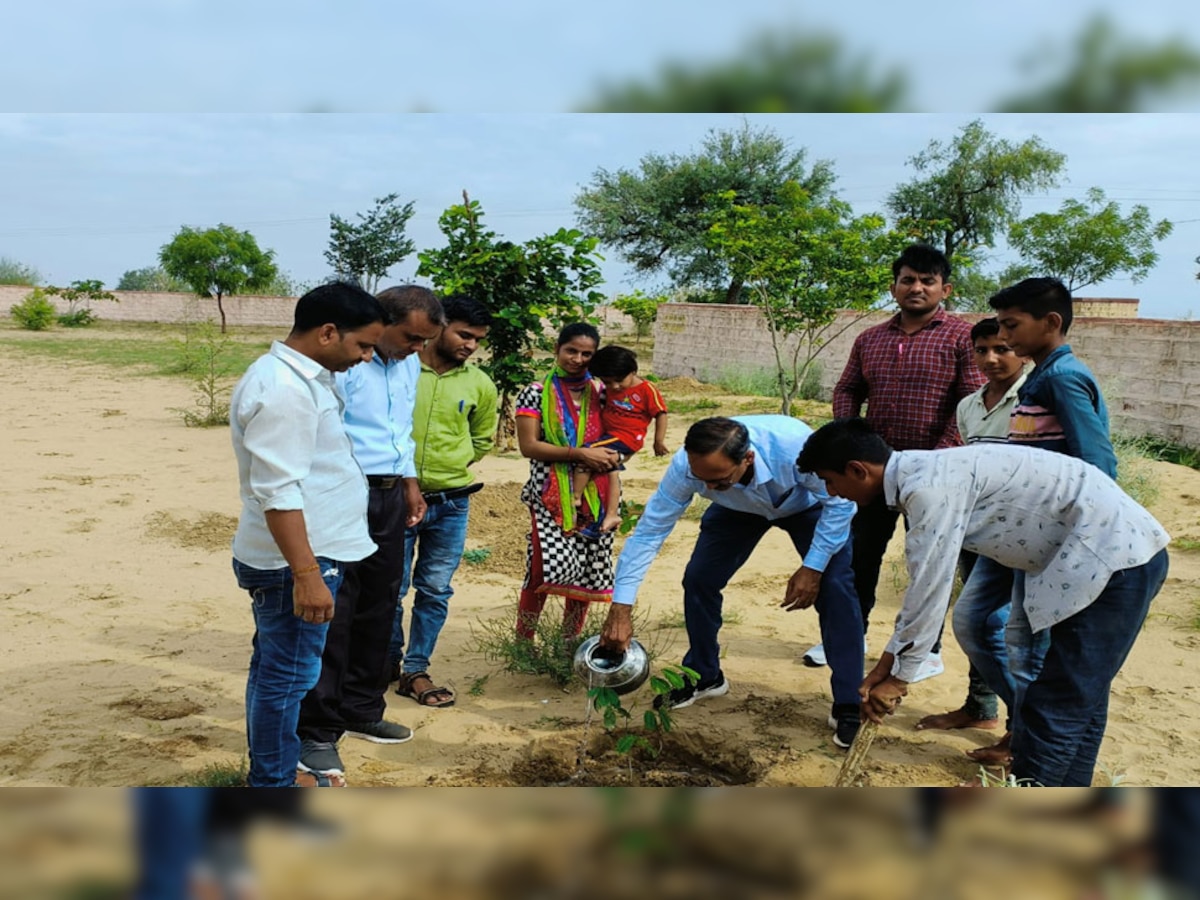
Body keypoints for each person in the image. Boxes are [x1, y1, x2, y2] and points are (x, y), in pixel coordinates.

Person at [797, 418, 1169, 787]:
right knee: (1077, 702)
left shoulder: (928, 489)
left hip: (1115, 559)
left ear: (857, 470)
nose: (833, 493)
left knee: (1057, 705)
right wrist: (889, 664)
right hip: (1101, 557)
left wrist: (899, 678)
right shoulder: (924, 473)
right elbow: (922, 595)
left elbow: (930, 588)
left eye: (831, 481)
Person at [600, 416, 865, 748]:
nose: (708, 488)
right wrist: (620, 609)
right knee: (699, 579)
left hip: (808, 507)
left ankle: (850, 702)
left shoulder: (796, 449)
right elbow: (649, 533)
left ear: (747, 459)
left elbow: (840, 504)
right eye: (703, 480)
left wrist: (812, 568)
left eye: (720, 479)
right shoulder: (687, 467)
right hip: (736, 510)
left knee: (836, 588)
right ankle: (705, 675)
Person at [958, 277, 1120, 767]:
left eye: (1012, 326)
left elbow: (1098, 464)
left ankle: (1028, 750)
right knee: (971, 621)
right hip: (1015, 534)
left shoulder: (1063, 378)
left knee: (1027, 648)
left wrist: (1072, 538)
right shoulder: (1041, 376)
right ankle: (1024, 725)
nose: (1004, 337)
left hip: (1054, 539)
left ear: (1050, 323)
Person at [229, 282, 385, 788]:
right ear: (326, 332)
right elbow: (278, 492)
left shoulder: (303, 379)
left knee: (275, 673)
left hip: (305, 554)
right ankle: (271, 784)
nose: (366, 357)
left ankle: (275, 770)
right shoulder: (286, 391)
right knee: (287, 680)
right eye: (362, 345)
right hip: (295, 560)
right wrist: (307, 574)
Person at [805, 244, 983, 679]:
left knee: (930, 562)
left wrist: (940, 455)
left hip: (936, 476)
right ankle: (850, 636)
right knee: (859, 557)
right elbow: (847, 388)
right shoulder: (870, 339)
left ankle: (928, 651)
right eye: (908, 279)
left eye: (927, 281)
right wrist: (850, 436)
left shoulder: (961, 337)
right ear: (894, 286)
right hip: (872, 475)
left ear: (945, 288)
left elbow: (971, 399)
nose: (916, 288)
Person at [295, 285, 444, 785]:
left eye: (425, 341)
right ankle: (317, 729)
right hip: (341, 492)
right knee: (336, 610)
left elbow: (399, 430)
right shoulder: (343, 365)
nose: (416, 349)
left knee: (381, 604)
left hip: (388, 495)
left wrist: (409, 485)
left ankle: (361, 706)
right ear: (383, 322)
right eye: (410, 337)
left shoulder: (404, 365)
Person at [915, 317, 1030, 734]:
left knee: (1013, 630)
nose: (992, 358)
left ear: (1021, 349)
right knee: (981, 622)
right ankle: (981, 706)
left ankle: (1022, 729)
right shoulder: (969, 406)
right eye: (982, 350)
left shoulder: (1033, 398)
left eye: (1002, 348)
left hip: (1025, 534)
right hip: (979, 528)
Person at [388, 294, 498, 708]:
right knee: (390, 588)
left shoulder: (480, 384)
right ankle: (385, 661)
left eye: (478, 340)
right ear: (439, 326)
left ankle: (415, 669)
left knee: (435, 588)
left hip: (452, 502)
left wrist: (449, 466)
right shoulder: (398, 368)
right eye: (464, 334)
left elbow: (483, 438)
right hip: (395, 499)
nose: (470, 345)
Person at [514, 323, 621, 641]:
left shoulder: (603, 393)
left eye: (587, 354)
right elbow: (528, 446)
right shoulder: (535, 392)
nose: (577, 359)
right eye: (571, 350)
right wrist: (579, 454)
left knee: (586, 569)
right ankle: (524, 640)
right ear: (557, 349)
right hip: (549, 493)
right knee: (541, 568)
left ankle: (568, 641)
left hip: (598, 495)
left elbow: (619, 437)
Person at [569, 344, 669, 539]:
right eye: (607, 382)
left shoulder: (647, 390)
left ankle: (575, 497)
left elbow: (661, 413)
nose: (614, 386)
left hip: (627, 437)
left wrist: (659, 441)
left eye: (619, 381)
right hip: (611, 435)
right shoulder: (608, 388)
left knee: (586, 453)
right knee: (610, 470)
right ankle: (611, 514)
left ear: (633, 371)